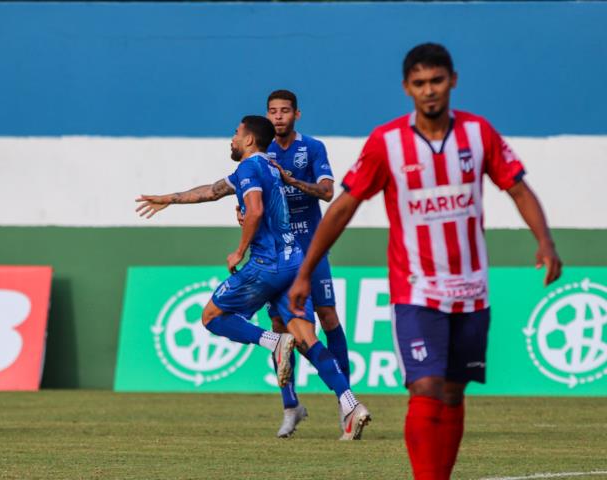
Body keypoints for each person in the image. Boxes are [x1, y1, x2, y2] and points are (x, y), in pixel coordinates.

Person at [288, 44, 562, 478]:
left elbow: (518, 189)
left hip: (472, 289)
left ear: (452, 80)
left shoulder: (478, 134)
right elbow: (342, 207)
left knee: (453, 393)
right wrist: (305, 272)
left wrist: (545, 242)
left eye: (436, 81)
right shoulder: (387, 143)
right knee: (426, 387)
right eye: (420, 84)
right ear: (406, 88)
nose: (429, 91)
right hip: (415, 289)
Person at [136, 115, 371, 440]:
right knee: (306, 336)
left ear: (248, 139)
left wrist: (240, 250)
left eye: (235, 133)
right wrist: (169, 198)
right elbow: (210, 191)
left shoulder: (249, 169)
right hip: (294, 261)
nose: (231, 139)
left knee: (211, 316)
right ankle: (351, 405)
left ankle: (274, 343)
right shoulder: (269, 167)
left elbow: (256, 209)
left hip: (267, 264)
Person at [259, 90, 352, 438]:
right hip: (278, 253)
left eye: (284, 111)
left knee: (328, 318)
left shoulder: (312, 148)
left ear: (296, 114)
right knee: (281, 330)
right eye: (272, 112)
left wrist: (293, 181)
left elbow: (328, 192)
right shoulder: (260, 152)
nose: (278, 117)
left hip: (312, 247)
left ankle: (347, 401)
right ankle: (290, 406)